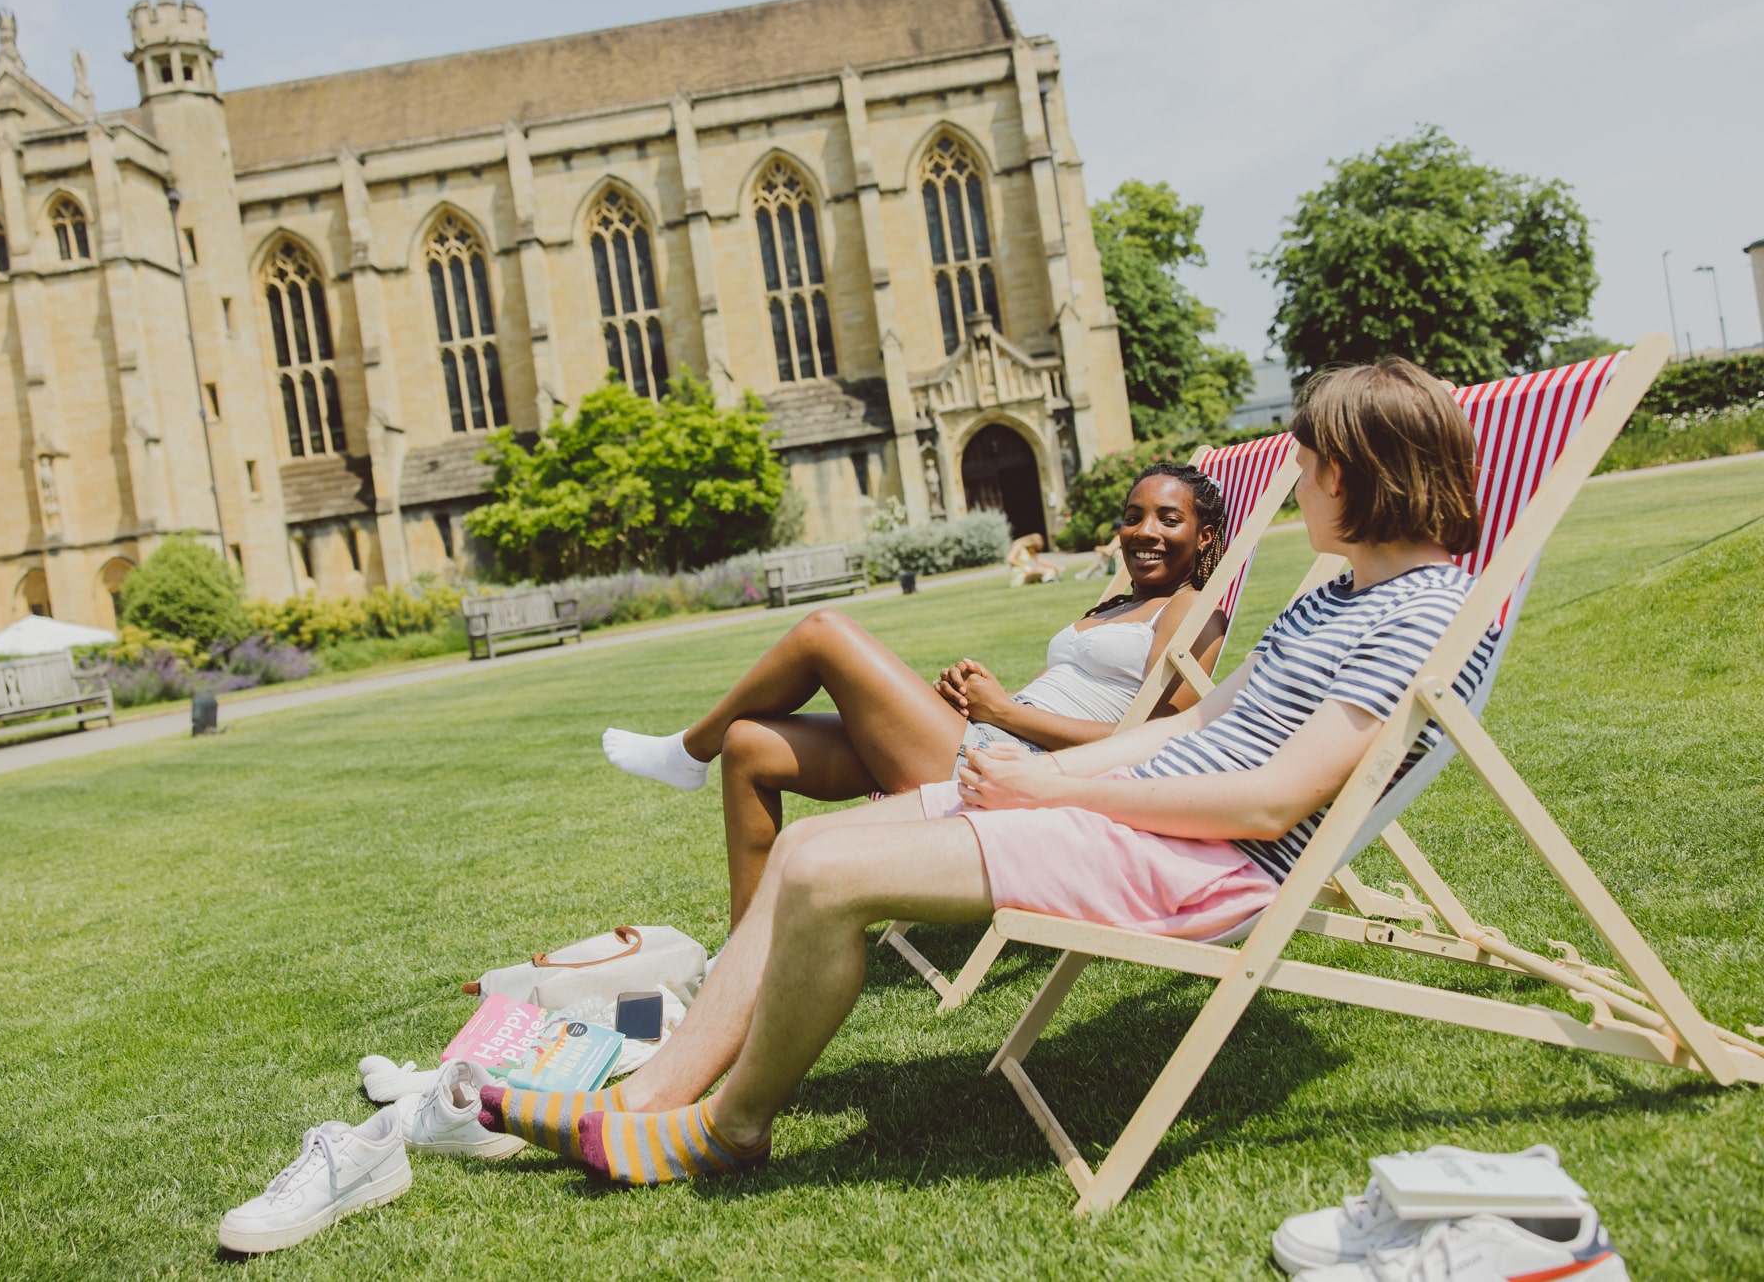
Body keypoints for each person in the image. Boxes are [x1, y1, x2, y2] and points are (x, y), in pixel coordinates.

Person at [480, 355, 1502, 1185]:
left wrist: (1059, 785)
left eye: (1310, 460)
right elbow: (1191, 728)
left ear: (1354, 473)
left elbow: (1276, 797)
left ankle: (729, 1127)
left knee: (832, 881)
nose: (1299, 480)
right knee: (805, 841)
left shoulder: (1421, 613)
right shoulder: (1331, 597)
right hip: (1141, 816)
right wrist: (1046, 767)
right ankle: (647, 1093)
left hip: (1202, 858)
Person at [602, 464, 1231, 926]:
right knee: (751, 746)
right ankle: (747, 948)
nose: (1144, 531)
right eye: (1134, 515)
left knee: (825, 632)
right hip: (994, 738)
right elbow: (1068, 698)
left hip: (1014, 776)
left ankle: (688, 751)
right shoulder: (1122, 602)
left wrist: (1003, 712)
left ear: (1204, 538)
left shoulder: (1189, 609)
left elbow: (1153, 745)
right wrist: (977, 701)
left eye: (1168, 519)